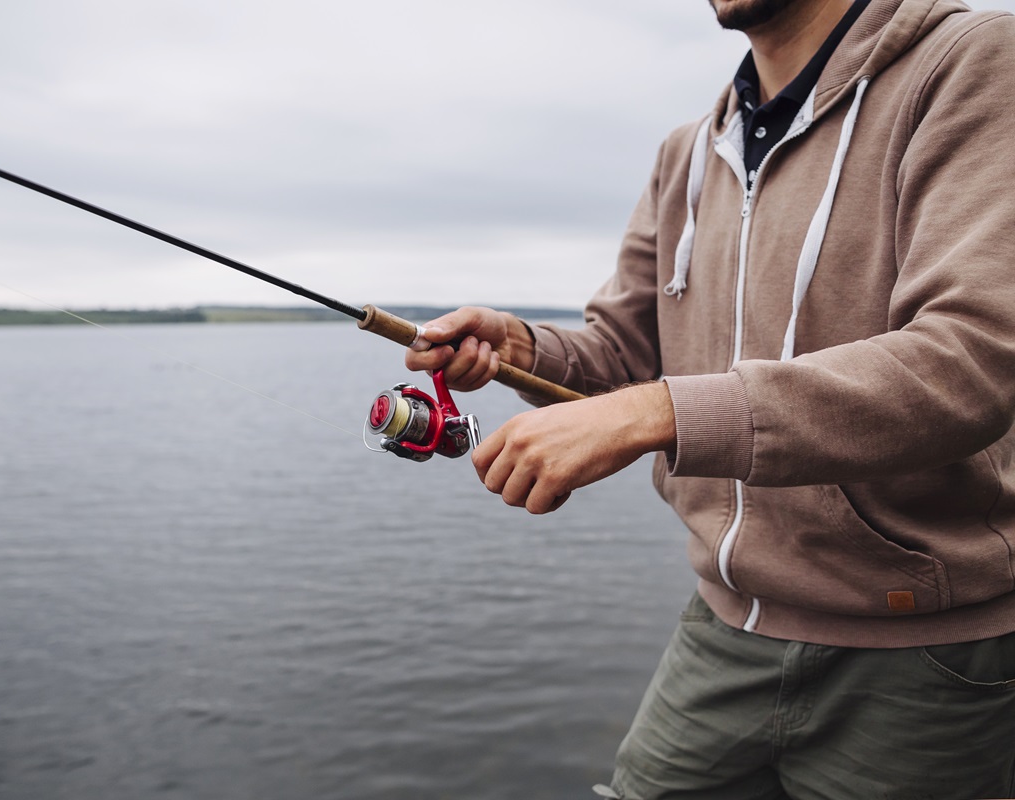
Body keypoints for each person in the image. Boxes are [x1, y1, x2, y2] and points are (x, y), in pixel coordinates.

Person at [405, 0, 1015, 796]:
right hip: (726, 626)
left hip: (924, 650)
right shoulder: (687, 152)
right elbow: (626, 354)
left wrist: (658, 412)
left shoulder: (973, 61)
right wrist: (526, 349)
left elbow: (970, 362)